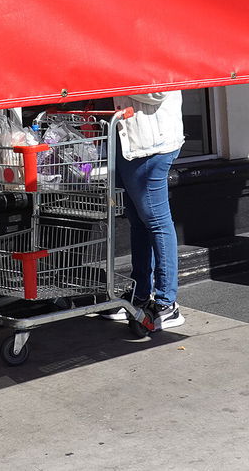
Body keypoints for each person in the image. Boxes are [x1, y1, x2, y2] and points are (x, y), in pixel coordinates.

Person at [102, 91, 185, 331]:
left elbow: (157, 92)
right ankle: (140, 294)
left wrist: (118, 75)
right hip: (131, 144)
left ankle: (167, 303)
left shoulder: (158, 53)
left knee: (157, 222)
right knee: (139, 221)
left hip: (152, 146)